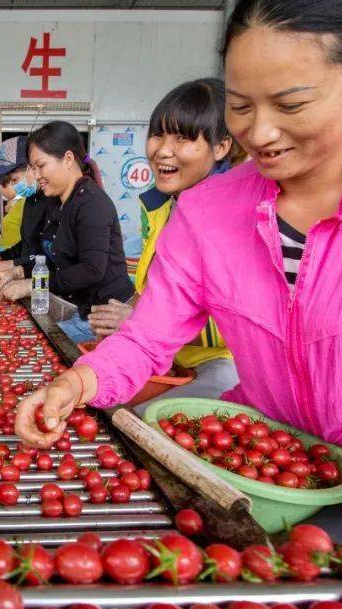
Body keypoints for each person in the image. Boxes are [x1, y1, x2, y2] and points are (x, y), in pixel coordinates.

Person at [16, 0, 342, 544]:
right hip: (256, 445)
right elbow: (147, 339)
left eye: (292, 103)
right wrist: (75, 383)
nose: (262, 132)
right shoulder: (207, 212)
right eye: (241, 106)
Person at [87, 78, 239, 408]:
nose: (163, 150)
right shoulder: (163, 206)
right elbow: (156, 283)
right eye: (158, 134)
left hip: (215, 364)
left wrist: (142, 321)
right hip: (165, 357)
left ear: (222, 146)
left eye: (183, 138)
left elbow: (239, 322)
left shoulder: (233, 218)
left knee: (136, 422)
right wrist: (132, 308)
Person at [0, 121, 133, 344]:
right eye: (33, 169)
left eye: (41, 166)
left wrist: (31, 285)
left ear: (67, 159)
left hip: (101, 319)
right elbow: (48, 257)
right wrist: (16, 271)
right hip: (76, 308)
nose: (36, 176)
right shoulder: (57, 203)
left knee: (29, 343)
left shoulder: (91, 203)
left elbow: (91, 270)